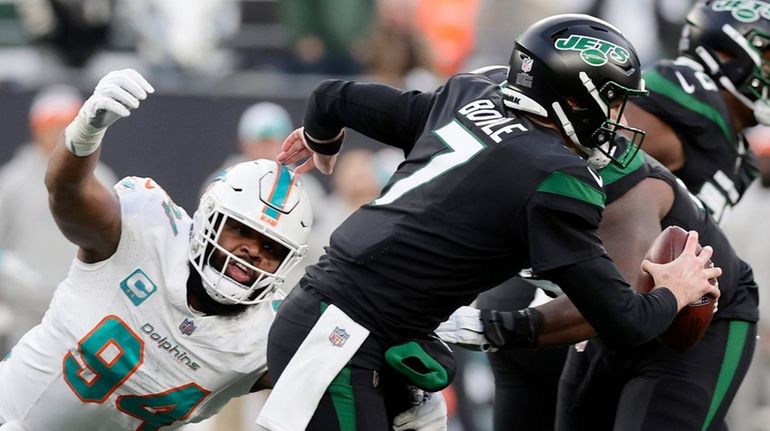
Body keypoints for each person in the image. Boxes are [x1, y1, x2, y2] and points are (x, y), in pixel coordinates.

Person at [257, 14, 721, 431]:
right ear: (576, 101)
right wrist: (675, 289)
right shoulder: (558, 176)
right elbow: (624, 322)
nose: (615, 120)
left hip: (349, 327)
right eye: (612, 101)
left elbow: (330, 98)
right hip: (341, 343)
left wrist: (322, 140)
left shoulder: (467, 95)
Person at [0, 69, 317, 430]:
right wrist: (85, 133)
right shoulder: (145, 230)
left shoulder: (266, 334)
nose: (253, 252)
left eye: (272, 248)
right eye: (242, 231)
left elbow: (346, 378)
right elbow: (67, 192)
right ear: (210, 219)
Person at [439, 135, 759, 430]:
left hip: (689, 326)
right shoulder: (514, 168)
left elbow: (623, 308)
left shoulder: (625, 183)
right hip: (604, 323)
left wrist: (492, 327)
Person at [624, 0, 770, 224]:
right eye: (769, 62)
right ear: (726, 53)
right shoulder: (682, 102)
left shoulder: (738, 149)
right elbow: (592, 166)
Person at [0, 84, 117, 349]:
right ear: (36, 127)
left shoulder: (103, 180)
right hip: (26, 315)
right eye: (52, 124)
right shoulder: (12, 181)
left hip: (84, 312)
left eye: (68, 123)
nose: (60, 132)